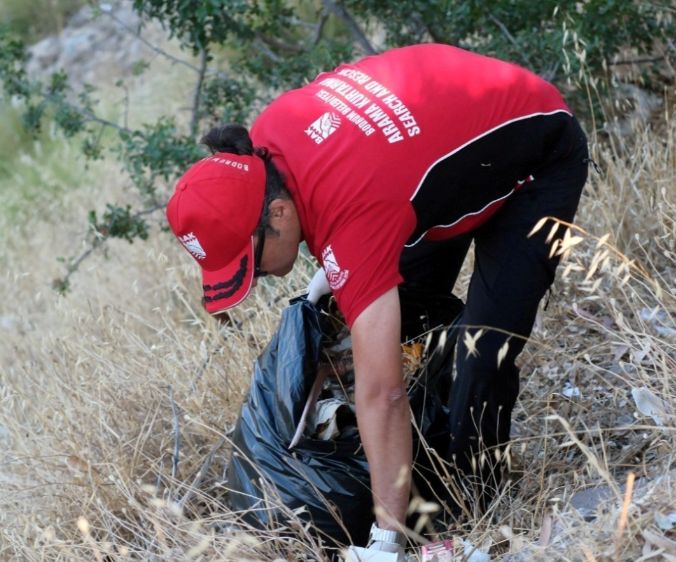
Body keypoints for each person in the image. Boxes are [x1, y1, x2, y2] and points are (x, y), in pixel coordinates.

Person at [166, 43, 589, 557]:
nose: (254, 278)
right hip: (439, 165)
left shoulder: (354, 216)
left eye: (248, 260)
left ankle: (478, 506)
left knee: (484, 347)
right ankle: (426, 469)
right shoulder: (271, 138)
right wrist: (336, 272)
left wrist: (384, 541)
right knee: (404, 319)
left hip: (537, 153)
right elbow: (356, 176)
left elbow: (382, 394)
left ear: (276, 214)